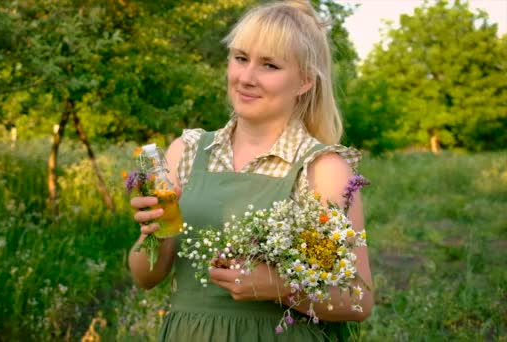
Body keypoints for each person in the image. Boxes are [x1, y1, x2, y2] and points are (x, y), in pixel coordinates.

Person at [128, 0, 374, 340]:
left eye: (269, 65)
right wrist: (152, 233)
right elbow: (146, 278)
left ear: (304, 81)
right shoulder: (186, 152)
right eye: (240, 58)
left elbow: (358, 301)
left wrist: (279, 287)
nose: (246, 77)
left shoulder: (323, 169)